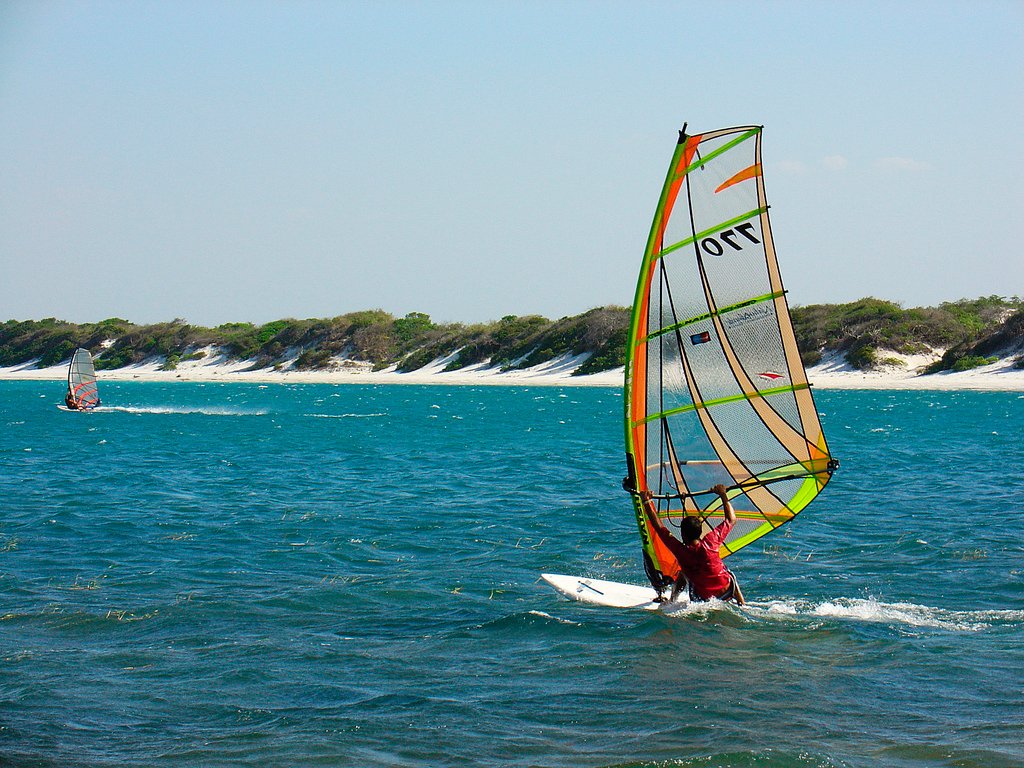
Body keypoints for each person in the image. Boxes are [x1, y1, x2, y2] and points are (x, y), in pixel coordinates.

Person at [640, 484, 745, 605]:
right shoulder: (711, 541)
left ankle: (672, 600)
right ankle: (741, 602)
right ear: (700, 531)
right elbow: (731, 519)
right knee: (726, 571)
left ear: (683, 535)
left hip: (704, 599)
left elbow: (659, 528)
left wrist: (646, 501)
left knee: (683, 573)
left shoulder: (680, 551)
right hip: (727, 590)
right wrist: (723, 495)